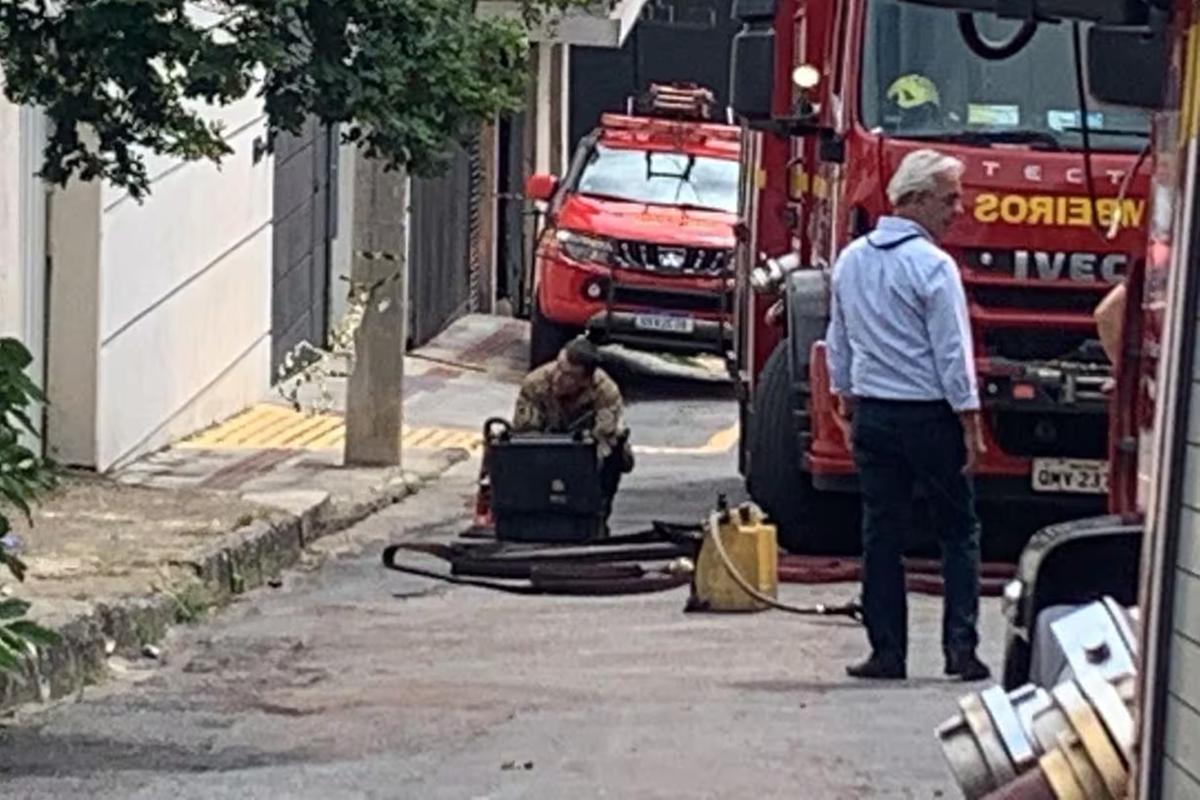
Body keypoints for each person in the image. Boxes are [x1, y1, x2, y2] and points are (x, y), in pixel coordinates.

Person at [825, 148, 990, 682]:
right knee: (957, 532)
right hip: (930, 418)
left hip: (875, 415)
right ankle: (960, 649)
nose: (957, 210)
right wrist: (969, 421)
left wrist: (845, 400)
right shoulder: (934, 266)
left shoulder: (851, 260)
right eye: (949, 200)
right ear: (913, 200)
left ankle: (887, 652)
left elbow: (839, 339)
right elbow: (951, 352)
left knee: (881, 534)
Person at [511, 337, 634, 521]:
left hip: (585, 453)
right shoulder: (535, 383)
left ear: (585, 380)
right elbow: (525, 435)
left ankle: (598, 512)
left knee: (618, 451)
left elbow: (604, 442)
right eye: (558, 366)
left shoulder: (605, 392)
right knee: (502, 448)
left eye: (568, 375)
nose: (557, 377)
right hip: (545, 445)